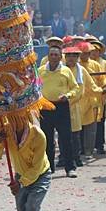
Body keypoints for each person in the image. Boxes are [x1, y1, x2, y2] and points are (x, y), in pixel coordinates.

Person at [38, 46, 78, 178]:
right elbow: (36, 87)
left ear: (61, 57)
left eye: (56, 55)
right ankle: (49, 168)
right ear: (48, 56)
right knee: (47, 139)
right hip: (46, 108)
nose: (54, 57)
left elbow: (75, 88)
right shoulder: (41, 70)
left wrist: (68, 95)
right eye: (52, 55)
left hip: (62, 107)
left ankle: (70, 168)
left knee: (66, 138)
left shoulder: (66, 71)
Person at [78, 41, 105, 159]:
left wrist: (104, 86)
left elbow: (102, 79)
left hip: (92, 100)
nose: (85, 55)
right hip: (78, 100)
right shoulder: (75, 66)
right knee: (78, 128)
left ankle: (89, 151)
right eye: (83, 53)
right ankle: (78, 151)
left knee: (90, 128)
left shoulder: (95, 65)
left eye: (87, 53)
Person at [88, 37, 106, 155]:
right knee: (87, 122)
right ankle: (86, 147)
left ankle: (100, 145)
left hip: (100, 96)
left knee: (100, 122)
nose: (94, 52)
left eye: (96, 50)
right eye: (92, 50)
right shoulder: (84, 63)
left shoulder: (105, 63)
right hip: (87, 97)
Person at [62, 45, 84, 166]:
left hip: (74, 105)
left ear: (77, 58)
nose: (71, 58)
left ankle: (76, 157)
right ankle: (63, 158)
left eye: (74, 56)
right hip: (61, 105)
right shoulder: (61, 69)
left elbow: (81, 89)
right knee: (63, 134)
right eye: (68, 55)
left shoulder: (81, 70)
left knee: (75, 135)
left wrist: (70, 100)